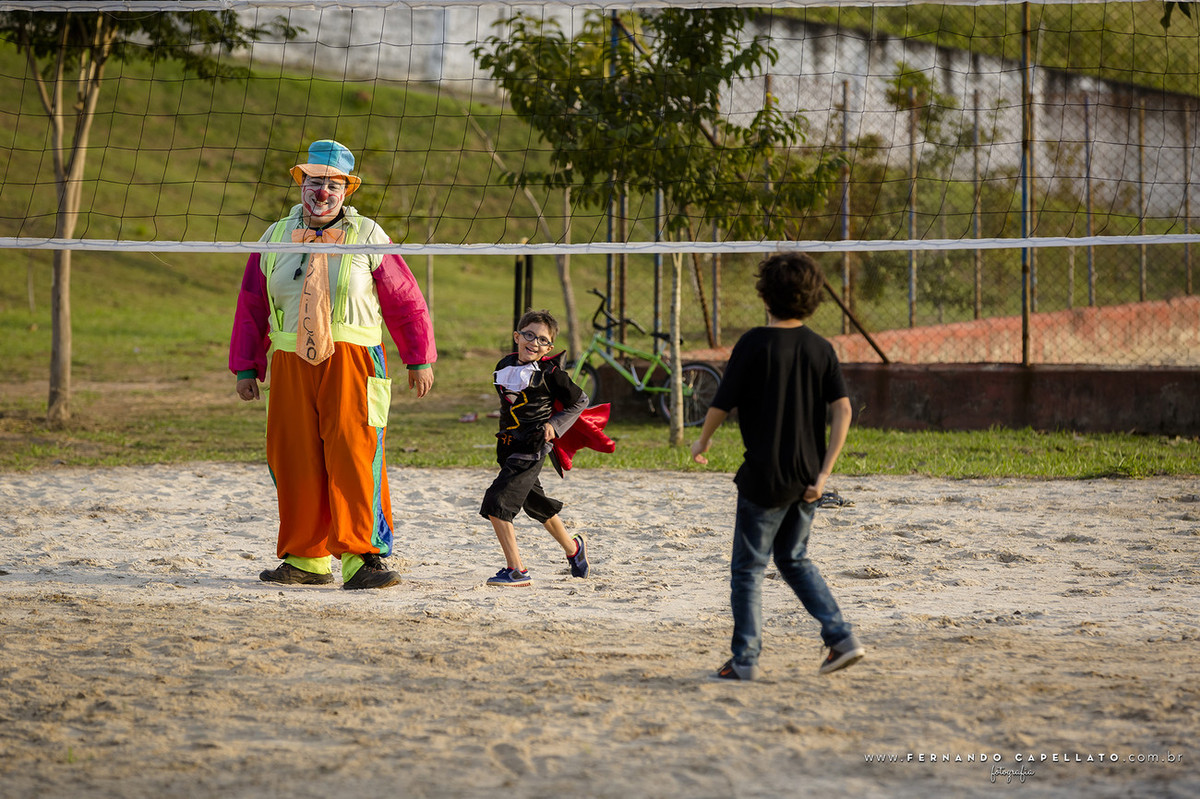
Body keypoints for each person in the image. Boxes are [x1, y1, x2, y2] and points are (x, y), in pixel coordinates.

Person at [229, 139, 436, 590]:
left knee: (355, 453)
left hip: (355, 359)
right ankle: (307, 559)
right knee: (294, 457)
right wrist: (246, 366)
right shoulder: (274, 235)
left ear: (347, 190)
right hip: (289, 360)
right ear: (301, 183)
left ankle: (363, 558)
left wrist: (418, 358)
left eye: (333, 184)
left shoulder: (368, 234)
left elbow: (404, 300)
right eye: (315, 182)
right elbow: (251, 303)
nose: (323, 192)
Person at [691, 252, 864, 679]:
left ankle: (745, 660)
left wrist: (702, 439)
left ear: (764, 295)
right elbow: (843, 410)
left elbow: (722, 402)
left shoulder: (752, 343)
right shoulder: (821, 348)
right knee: (793, 558)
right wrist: (824, 474)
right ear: (814, 299)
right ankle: (841, 637)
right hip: (807, 480)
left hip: (764, 480)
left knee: (748, 569)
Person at [479, 309, 610, 587]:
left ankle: (517, 570)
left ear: (549, 347)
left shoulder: (552, 373)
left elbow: (580, 400)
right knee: (536, 504)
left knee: (497, 502)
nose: (534, 343)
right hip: (509, 446)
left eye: (542, 340)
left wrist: (556, 424)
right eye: (528, 335)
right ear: (517, 336)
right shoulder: (504, 365)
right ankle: (574, 549)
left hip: (534, 447)